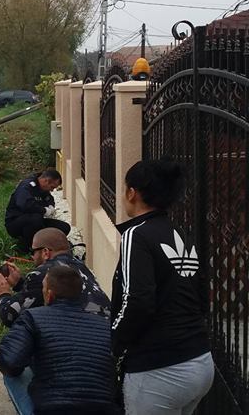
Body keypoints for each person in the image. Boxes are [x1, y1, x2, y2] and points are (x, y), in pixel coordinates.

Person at [112, 159, 213, 414]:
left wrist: (113, 342)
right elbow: (201, 295)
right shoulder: (180, 232)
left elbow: (137, 299)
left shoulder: (137, 234)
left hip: (158, 370)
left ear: (131, 192)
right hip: (200, 360)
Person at [0, 265, 116, 415]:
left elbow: (9, 361)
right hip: (103, 410)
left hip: (53, 409)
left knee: (14, 372)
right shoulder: (106, 325)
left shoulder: (33, 317)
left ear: (49, 295)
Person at [0, 227, 110, 328]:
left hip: (78, 339)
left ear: (45, 252)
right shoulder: (81, 267)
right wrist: (19, 283)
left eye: (33, 251)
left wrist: (3, 294)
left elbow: (10, 315)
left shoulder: (44, 273)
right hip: (105, 333)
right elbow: (39, 295)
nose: (32, 257)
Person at [4, 169, 71, 252]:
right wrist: (44, 210)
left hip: (37, 221)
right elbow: (26, 205)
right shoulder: (26, 186)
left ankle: (45, 246)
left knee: (64, 228)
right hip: (16, 223)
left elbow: (49, 199)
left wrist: (51, 207)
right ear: (46, 181)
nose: (52, 190)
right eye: (52, 187)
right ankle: (27, 248)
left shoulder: (43, 188)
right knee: (35, 219)